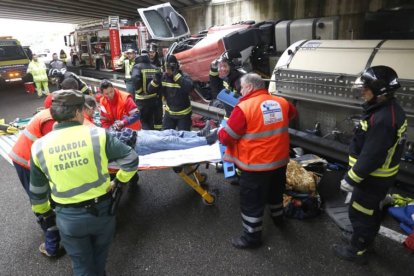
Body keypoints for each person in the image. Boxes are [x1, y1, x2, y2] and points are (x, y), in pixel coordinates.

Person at [29, 90, 139, 276]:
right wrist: (119, 181)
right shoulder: (98, 136)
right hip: (103, 213)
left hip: (68, 219)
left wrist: (46, 214)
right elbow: (131, 160)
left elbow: (37, 193)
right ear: (78, 112)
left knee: (81, 264)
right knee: (100, 257)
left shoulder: (39, 147)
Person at [333, 66, 407, 265]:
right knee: (370, 211)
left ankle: (357, 250)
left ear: (380, 92)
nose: (361, 91)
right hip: (376, 178)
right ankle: (364, 241)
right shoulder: (385, 109)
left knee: (360, 213)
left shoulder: (383, 119)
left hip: (372, 178)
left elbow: (372, 156)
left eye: (365, 88)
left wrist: (350, 179)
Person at [218, 73, 297, 249]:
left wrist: (219, 133)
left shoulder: (244, 107)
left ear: (251, 87)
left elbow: (227, 137)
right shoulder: (281, 102)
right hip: (279, 162)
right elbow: (292, 113)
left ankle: (251, 237)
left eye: (242, 87)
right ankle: (279, 219)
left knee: (252, 202)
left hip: (255, 166)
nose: (240, 91)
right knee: (276, 193)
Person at [8, 105, 60, 257]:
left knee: (48, 197)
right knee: (40, 199)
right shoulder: (50, 121)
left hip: (31, 159)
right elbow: (53, 150)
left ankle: (56, 232)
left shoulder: (53, 114)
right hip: (25, 161)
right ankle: (52, 244)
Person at [110, 122, 218, 156]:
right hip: (136, 144)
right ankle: (206, 140)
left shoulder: (96, 135)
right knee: (170, 140)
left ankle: (199, 135)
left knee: (170, 132)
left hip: (136, 134)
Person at [148, 54, 193, 131]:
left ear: (175, 67)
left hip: (183, 115)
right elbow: (150, 90)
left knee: (184, 138)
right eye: (165, 68)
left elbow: (189, 88)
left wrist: (176, 76)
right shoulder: (164, 77)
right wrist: (155, 80)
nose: (166, 71)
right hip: (169, 114)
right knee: (165, 137)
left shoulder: (183, 76)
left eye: (169, 68)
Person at [131, 53, 161, 130]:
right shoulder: (154, 67)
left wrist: (139, 91)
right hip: (153, 99)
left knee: (142, 120)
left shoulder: (137, 67)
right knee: (150, 119)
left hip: (142, 100)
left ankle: (146, 137)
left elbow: (135, 78)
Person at [148, 43, 163, 130]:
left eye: (153, 52)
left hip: (158, 90)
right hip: (149, 89)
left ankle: (158, 128)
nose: (151, 54)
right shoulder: (146, 62)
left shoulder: (159, 62)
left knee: (158, 111)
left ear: (156, 53)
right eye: (150, 52)